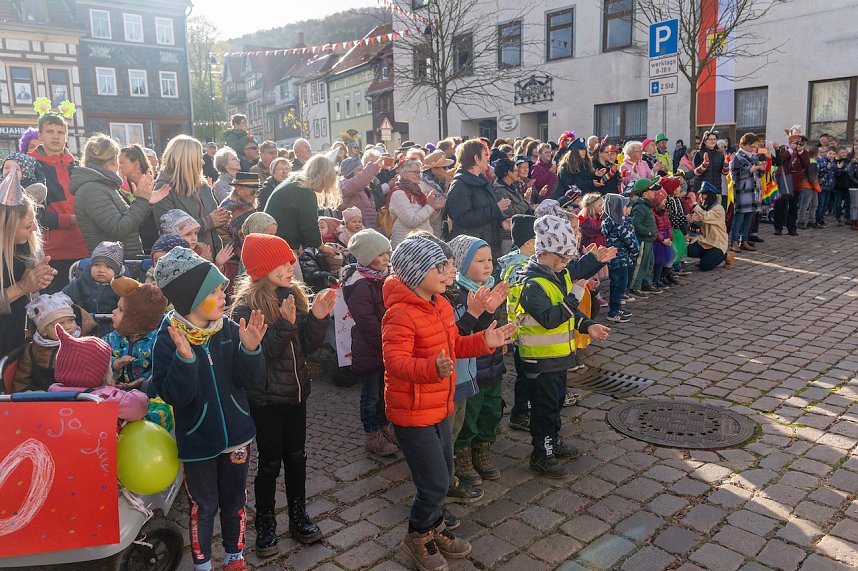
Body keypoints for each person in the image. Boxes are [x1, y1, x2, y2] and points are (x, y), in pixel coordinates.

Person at [383, 236, 515, 571]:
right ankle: (417, 535)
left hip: (440, 405)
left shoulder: (439, 304)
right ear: (416, 273)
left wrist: (484, 341)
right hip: (413, 412)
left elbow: (454, 344)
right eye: (440, 267)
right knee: (434, 483)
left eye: (448, 266)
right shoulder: (399, 314)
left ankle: (434, 525)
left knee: (446, 471)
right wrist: (431, 368)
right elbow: (395, 362)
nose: (449, 272)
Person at [152, 246, 267, 571]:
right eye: (214, 292)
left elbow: (250, 380)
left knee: (235, 501)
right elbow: (175, 395)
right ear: (190, 298)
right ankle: (203, 564)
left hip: (237, 438)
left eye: (221, 290)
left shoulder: (228, 329)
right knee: (203, 507)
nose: (223, 297)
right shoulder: (168, 340)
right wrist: (185, 360)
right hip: (198, 444)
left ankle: (234, 556)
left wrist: (251, 350)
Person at [231, 234, 333, 553]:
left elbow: (309, 347)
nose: (291, 267)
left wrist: (317, 318)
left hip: (297, 394)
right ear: (264, 268)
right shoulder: (246, 308)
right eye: (283, 262)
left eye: (291, 261)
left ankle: (298, 514)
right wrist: (284, 326)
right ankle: (265, 522)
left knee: (297, 457)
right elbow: (258, 359)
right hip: (268, 400)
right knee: (270, 462)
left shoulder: (293, 295)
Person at [514, 215, 613, 477]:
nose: (567, 263)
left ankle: (552, 442)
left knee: (555, 404)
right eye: (563, 258)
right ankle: (541, 454)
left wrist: (587, 326)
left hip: (558, 357)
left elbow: (575, 276)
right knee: (544, 409)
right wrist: (575, 295)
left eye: (569, 257)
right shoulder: (532, 284)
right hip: (540, 360)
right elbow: (551, 318)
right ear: (545, 254)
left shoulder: (556, 273)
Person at [448, 235, 509, 487]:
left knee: (491, 410)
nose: (487, 266)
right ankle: (462, 452)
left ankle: (482, 447)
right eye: (479, 261)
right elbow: (465, 331)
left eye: (489, 260)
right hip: (471, 368)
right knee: (469, 413)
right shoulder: (457, 294)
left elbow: (494, 324)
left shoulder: (492, 287)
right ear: (462, 264)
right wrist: (486, 310)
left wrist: (502, 334)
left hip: (492, 362)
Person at [342, 229, 398, 456]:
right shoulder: (361, 285)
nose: (385, 258)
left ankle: (384, 424)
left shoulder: (385, 276)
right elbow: (366, 321)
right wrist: (386, 341)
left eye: (387, 253)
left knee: (385, 391)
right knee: (370, 394)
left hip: (386, 343)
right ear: (366, 257)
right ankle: (372, 433)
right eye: (380, 254)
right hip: (371, 347)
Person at [71, 134, 169, 258]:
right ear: (114, 160)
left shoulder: (104, 185)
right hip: (110, 263)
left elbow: (130, 224)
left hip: (120, 261)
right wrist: (141, 201)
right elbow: (119, 230)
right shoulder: (92, 190)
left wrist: (146, 203)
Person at [30, 111, 87, 290]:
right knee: (54, 304)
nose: (56, 136)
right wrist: (69, 220)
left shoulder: (77, 166)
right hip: (50, 253)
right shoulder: (31, 166)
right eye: (50, 131)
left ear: (66, 136)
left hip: (84, 248)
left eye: (60, 132)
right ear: (40, 135)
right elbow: (31, 213)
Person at [48, 324, 148, 421]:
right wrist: (135, 392)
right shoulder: (105, 397)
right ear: (101, 373)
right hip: (101, 433)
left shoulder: (53, 392)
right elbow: (139, 407)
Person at [264, 155, 339, 283]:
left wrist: (298, 243)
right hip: (281, 247)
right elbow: (309, 227)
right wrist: (321, 246)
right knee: (296, 285)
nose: (325, 188)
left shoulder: (294, 182)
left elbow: (292, 219)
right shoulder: (305, 192)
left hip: (274, 242)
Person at [154, 135, 229, 255]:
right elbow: (168, 230)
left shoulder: (202, 186)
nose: (203, 162)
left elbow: (214, 216)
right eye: (199, 158)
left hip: (213, 256)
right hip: (185, 258)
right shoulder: (163, 189)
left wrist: (223, 220)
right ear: (186, 160)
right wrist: (208, 221)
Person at [498, 215, 537, 430]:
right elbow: (521, 303)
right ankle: (520, 413)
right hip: (523, 331)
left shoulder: (527, 263)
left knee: (530, 375)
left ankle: (528, 408)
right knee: (526, 376)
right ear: (529, 242)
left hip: (529, 331)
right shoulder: (519, 269)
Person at [13, 292, 95, 392]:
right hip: (40, 396)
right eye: (60, 324)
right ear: (44, 331)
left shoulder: (83, 344)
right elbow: (22, 378)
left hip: (74, 394)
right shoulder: (33, 349)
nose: (67, 326)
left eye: (70, 320)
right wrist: (19, 396)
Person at [447, 140, 509, 260]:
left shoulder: (483, 180)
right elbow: (462, 218)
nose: (488, 158)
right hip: (472, 250)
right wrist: (496, 210)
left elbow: (491, 206)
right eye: (485, 154)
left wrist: (502, 219)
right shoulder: (460, 185)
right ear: (476, 158)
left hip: (490, 244)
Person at [104, 276, 168, 390]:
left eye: (120, 310)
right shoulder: (111, 338)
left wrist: (142, 381)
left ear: (136, 319)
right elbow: (99, 359)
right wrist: (115, 363)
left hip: (146, 391)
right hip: (114, 389)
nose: (113, 312)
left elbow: (159, 369)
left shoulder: (156, 342)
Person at [63, 241, 122, 336]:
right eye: (97, 265)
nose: (101, 270)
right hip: (81, 330)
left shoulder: (122, 289)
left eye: (108, 267)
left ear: (117, 271)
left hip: (113, 332)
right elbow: (61, 301)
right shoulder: (77, 284)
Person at [387, 158, 441, 247]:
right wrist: (429, 206)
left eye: (419, 172)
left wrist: (434, 207)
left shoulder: (418, 191)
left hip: (422, 244)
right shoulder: (398, 194)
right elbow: (411, 222)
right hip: (407, 247)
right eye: (415, 172)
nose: (419, 175)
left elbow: (426, 221)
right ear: (404, 173)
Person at [601, 194, 638, 323]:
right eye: (626, 206)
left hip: (614, 260)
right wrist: (635, 251)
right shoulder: (620, 224)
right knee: (619, 286)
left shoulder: (608, 222)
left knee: (615, 284)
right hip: (620, 260)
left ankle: (616, 308)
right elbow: (630, 241)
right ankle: (613, 312)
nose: (629, 208)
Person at [118, 144, 161, 252]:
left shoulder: (153, 184)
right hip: (135, 245)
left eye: (121, 162)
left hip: (155, 244)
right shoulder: (120, 187)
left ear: (136, 164)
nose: (118, 166)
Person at [729, 133, 763, 251]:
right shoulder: (737, 158)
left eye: (755, 146)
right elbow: (734, 177)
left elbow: (759, 175)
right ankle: (734, 241)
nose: (753, 149)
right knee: (739, 216)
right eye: (752, 146)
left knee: (749, 216)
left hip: (753, 191)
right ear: (743, 145)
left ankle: (744, 240)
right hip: (742, 191)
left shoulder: (754, 157)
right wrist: (749, 170)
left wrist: (761, 169)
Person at [628, 177, 661, 297]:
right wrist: (648, 232)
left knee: (648, 263)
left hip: (648, 240)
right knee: (640, 264)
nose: (655, 192)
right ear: (645, 193)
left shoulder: (646, 206)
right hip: (643, 240)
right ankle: (635, 286)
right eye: (652, 191)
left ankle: (646, 283)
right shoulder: (640, 207)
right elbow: (636, 224)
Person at [687, 182, 732, 270]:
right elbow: (698, 220)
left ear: (710, 195)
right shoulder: (703, 207)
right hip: (706, 241)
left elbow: (705, 216)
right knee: (690, 250)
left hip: (717, 243)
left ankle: (726, 255)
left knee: (705, 266)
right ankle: (708, 256)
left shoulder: (718, 208)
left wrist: (695, 204)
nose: (701, 197)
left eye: (703, 194)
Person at [339, 154, 384, 232]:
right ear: (349, 172)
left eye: (362, 170)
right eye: (359, 170)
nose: (361, 172)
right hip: (354, 232)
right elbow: (358, 181)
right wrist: (375, 166)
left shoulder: (364, 188)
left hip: (368, 231)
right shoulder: (345, 185)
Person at [218, 172, 259, 255]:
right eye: (252, 192)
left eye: (257, 192)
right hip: (234, 256)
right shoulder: (227, 207)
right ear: (239, 190)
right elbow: (221, 234)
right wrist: (237, 251)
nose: (255, 195)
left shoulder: (249, 205)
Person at [421, 150, 455, 236]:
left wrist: (447, 187)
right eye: (444, 167)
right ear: (434, 169)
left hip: (439, 225)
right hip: (430, 228)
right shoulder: (424, 184)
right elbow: (437, 203)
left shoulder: (440, 180)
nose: (447, 170)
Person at [692, 130, 728, 204]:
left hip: (716, 189)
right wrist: (705, 163)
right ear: (705, 141)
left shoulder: (720, 154)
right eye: (710, 139)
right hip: (701, 190)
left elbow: (725, 173)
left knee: (716, 210)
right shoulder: (699, 154)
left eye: (714, 139)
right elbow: (697, 173)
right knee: (702, 210)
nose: (713, 141)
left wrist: (726, 162)